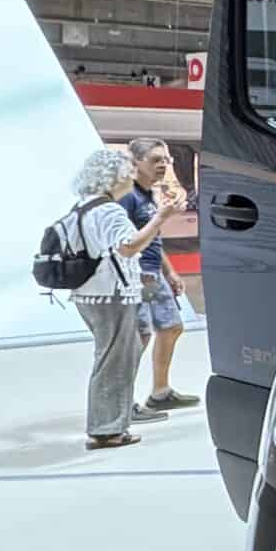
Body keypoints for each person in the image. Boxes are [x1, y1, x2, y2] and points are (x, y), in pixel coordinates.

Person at [66, 145, 169, 450]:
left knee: (120, 351)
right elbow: (128, 246)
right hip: (110, 293)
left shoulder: (82, 207)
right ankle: (107, 430)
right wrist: (160, 218)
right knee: (113, 360)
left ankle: (112, 421)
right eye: (128, 173)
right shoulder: (109, 210)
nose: (131, 179)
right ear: (114, 178)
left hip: (89, 292)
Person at [124, 136, 199, 414]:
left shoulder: (148, 195)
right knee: (140, 336)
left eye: (166, 160)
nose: (163, 165)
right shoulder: (127, 197)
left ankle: (160, 391)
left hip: (153, 273)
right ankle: (122, 402)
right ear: (136, 162)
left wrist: (169, 271)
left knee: (171, 327)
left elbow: (153, 236)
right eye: (156, 160)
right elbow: (127, 242)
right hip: (138, 274)